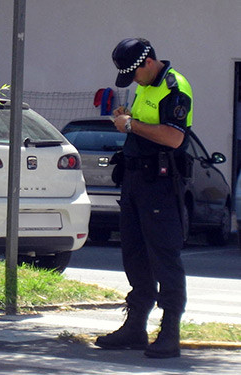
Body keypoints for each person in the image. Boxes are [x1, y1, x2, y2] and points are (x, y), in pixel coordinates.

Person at [94, 38, 193, 359]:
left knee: (164, 256)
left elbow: (174, 137)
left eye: (135, 73)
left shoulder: (174, 86)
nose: (133, 80)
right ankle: (136, 325)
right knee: (134, 254)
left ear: (148, 62)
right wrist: (129, 120)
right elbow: (143, 127)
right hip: (136, 181)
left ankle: (169, 332)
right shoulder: (146, 85)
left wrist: (131, 125)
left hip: (160, 184)